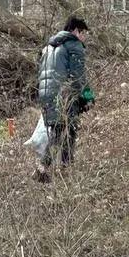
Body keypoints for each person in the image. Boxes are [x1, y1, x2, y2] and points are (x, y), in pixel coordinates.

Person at [34, 16, 94, 183]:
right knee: (69, 130)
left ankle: (47, 168)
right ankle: (63, 170)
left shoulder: (49, 47)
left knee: (58, 130)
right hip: (65, 94)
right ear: (75, 30)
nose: (84, 38)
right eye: (83, 33)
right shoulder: (74, 45)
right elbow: (78, 76)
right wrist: (88, 97)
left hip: (46, 93)